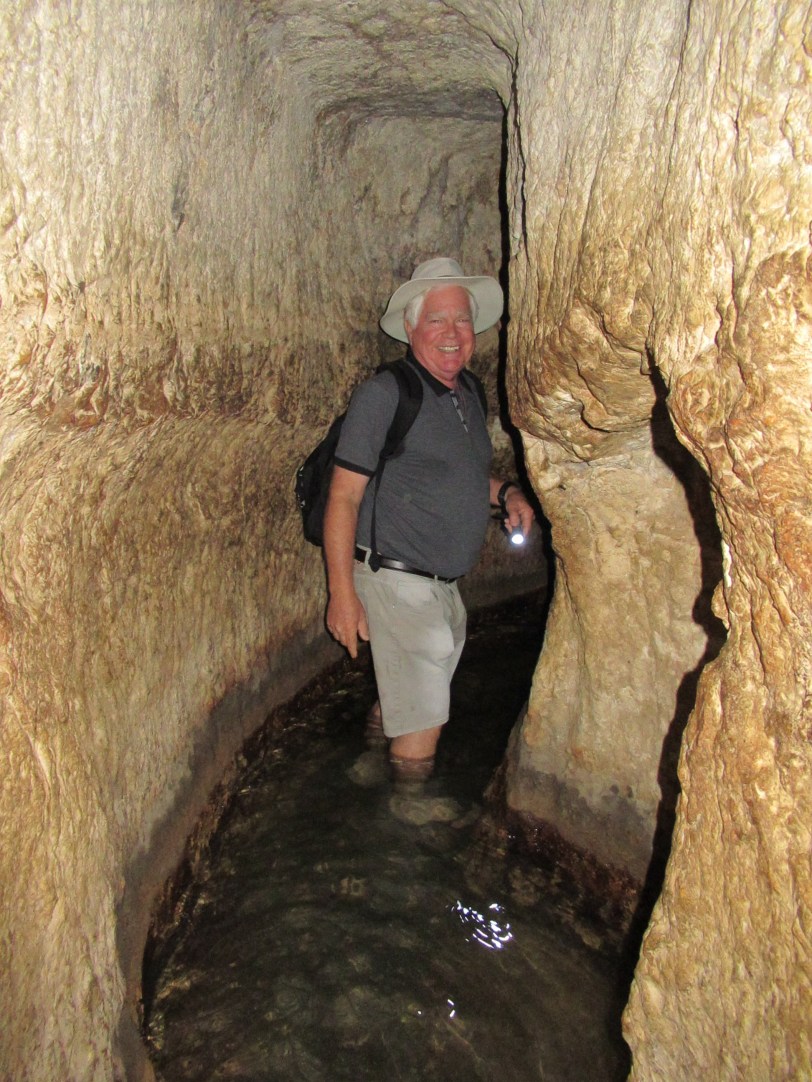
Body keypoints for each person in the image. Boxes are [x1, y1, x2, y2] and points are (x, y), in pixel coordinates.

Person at [323, 257, 534, 784]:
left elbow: (457, 476)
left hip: (441, 587)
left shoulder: (468, 393)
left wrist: (506, 492)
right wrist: (341, 595)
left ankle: (368, 761)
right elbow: (344, 497)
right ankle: (408, 817)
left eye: (462, 320)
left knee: (416, 697)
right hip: (398, 583)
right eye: (437, 320)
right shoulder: (385, 395)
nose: (452, 333)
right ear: (411, 327)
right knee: (425, 726)